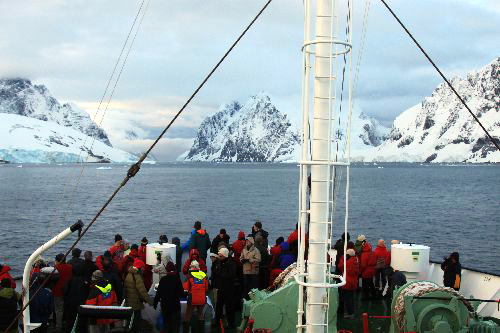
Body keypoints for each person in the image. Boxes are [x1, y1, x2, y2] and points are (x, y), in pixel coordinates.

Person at [124, 258, 153, 332]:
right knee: (136, 320)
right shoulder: (137, 276)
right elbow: (142, 291)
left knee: (131, 320)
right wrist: (150, 301)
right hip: (135, 303)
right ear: (139, 267)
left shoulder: (129, 274)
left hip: (129, 301)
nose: (144, 269)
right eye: (143, 267)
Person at [154, 262, 184, 333]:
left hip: (165, 307)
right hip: (175, 307)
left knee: (167, 326)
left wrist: (155, 303)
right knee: (175, 327)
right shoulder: (177, 279)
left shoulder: (163, 279)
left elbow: (158, 293)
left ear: (166, 270)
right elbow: (181, 294)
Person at [212, 247, 237, 329]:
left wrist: (220, 274)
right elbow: (216, 272)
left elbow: (231, 275)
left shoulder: (231, 263)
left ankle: (231, 324)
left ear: (225, 255)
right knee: (218, 306)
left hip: (229, 288)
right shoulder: (219, 262)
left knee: (229, 307)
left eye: (221, 256)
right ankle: (217, 322)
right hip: (221, 287)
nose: (219, 257)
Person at [183, 260, 208, 333]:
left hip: (192, 297)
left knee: (188, 314)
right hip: (201, 297)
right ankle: (201, 330)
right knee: (200, 314)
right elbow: (206, 288)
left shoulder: (189, 275)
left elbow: (186, 288)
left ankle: (186, 330)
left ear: (192, 267)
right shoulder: (204, 275)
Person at [63, 264, 90, 332]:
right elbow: (88, 291)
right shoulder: (85, 280)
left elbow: (65, 290)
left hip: (71, 303)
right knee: (82, 321)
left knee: (70, 320)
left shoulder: (69, 280)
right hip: (82, 302)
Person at [53, 253, 73, 331]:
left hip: (58, 292)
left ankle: (59, 326)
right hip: (68, 291)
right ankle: (67, 323)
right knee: (67, 308)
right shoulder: (70, 267)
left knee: (58, 310)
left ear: (57, 261)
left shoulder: (56, 268)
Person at [338, 249, 359, 319]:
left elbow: (340, 266)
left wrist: (342, 259)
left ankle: (350, 313)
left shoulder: (348, 262)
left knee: (348, 299)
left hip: (348, 283)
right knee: (350, 298)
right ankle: (351, 312)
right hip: (353, 282)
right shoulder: (355, 260)